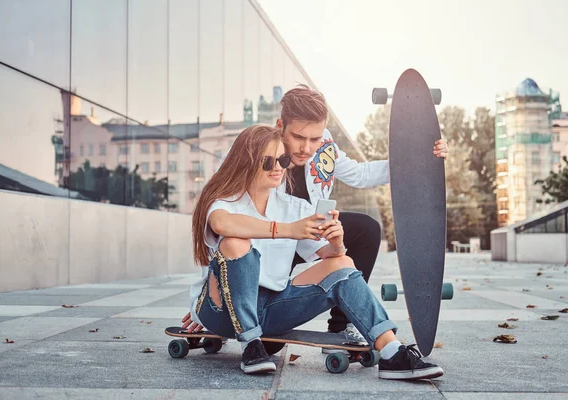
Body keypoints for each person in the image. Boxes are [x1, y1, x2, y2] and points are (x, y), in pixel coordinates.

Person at [182, 124, 443, 380]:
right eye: (267, 162)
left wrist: (337, 242)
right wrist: (288, 230)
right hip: (222, 311)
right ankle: (251, 346)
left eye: (282, 160)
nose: (277, 169)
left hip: (270, 310)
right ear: (246, 162)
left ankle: (391, 351)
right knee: (235, 242)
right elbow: (221, 224)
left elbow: (328, 255)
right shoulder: (225, 202)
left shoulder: (294, 206)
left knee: (342, 263)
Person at [276, 85, 449, 347]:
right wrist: (211, 291)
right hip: (275, 242)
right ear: (280, 125)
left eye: (315, 138)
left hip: (314, 232)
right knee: (269, 343)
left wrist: (416, 158)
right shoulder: (260, 150)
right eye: (299, 137)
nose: (307, 148)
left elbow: (360, 174)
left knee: (366, 229)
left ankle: (340, 326)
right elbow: (228, 213)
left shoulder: (325, 143)